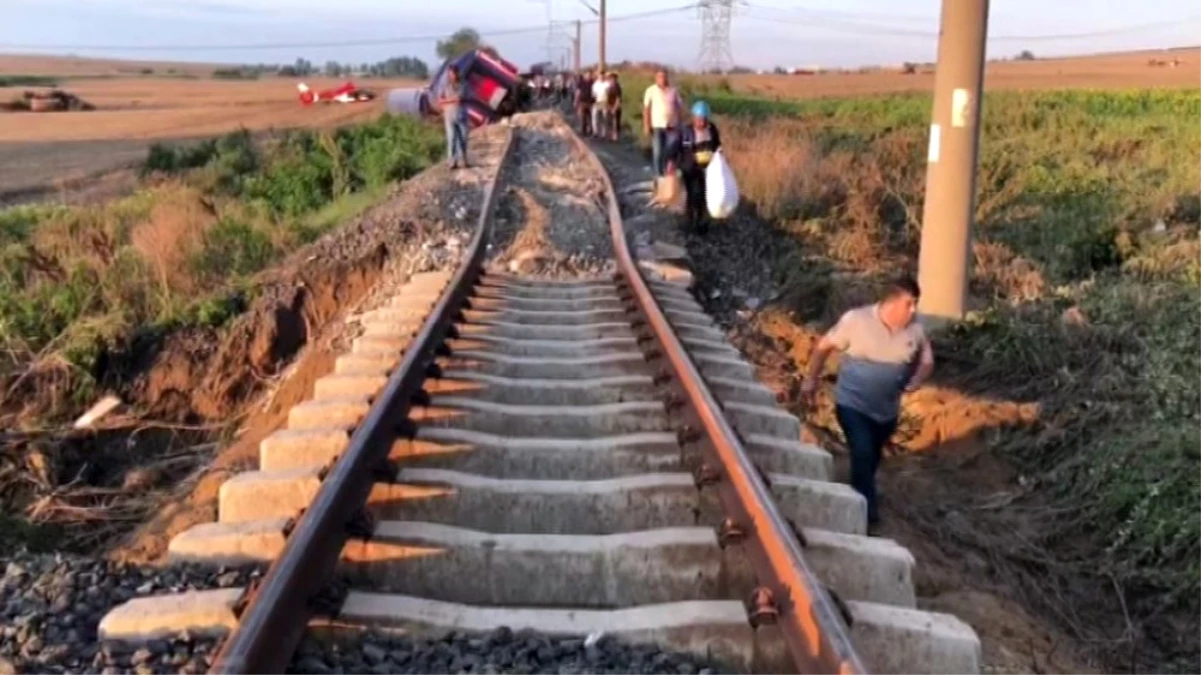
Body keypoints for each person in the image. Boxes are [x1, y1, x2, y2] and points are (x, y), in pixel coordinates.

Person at [800, 275, 934, 532]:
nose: (914, 309)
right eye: (910, 303)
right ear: (892, 302)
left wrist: (916, 379)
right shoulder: (856, 320)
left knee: (869, 459)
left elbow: (927, 360)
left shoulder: (915, 329)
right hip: (852, 404)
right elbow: (823, 347)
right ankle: (864, 515)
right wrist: (811, 380)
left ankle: (856, 494)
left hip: (886, 413)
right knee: (862, 451)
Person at [664, 100, 721, 233]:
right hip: (690, 168)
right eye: (699, 119)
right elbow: (674, 147)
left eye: (704, 119)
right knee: (692, 194)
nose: (701, 122)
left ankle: (701, 222)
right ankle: (690, 221)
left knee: (704, 195)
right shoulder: (685, 132)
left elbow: (717, 145)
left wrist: (720, 154)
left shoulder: (712, 130)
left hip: (708, 169)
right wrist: (671, 161)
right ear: (694, 118)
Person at [642, 69, 684, 179]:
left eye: (664, 77)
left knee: (670, 151)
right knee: (658, 152)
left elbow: (679, 107)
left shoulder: (673, 91)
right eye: (659, 77)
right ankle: (658, 175)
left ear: (667, 78)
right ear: (656, 78)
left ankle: (668, 173)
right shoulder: (651, 90)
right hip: (657, 125)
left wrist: (680, 123)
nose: (662, 79)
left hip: (672, 125)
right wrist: (646, 124)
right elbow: (647, 108)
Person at [438, 65, 469, 169]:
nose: (452, 76)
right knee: (451, 139)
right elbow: (440, 100)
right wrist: (451, 101)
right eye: (450, 73)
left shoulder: (463, 84)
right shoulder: (444, 85)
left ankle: (462, 160)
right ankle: (452, 162)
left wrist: (447, 101)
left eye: (454, 73)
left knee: (463, 139)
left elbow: (459, 99)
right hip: (449, 116)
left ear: (457, 73)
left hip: (461, 115)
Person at [591, 70, 612, 139]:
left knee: (604, 118)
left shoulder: (607, 84)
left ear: (604, 76)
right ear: (598, 76)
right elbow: (593, 94)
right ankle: (595, 132)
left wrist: (608, 103)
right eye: (600, 75)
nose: (601, 77)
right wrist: (593, 100)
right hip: (597, 102)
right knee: (595, 118)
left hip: (604, 102)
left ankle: (603, 134)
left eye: (602, 75)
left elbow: (609, 93)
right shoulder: (595, 84)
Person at [604, 72, 623, 141]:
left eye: (613, 79)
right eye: (610, 79)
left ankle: (616, 136)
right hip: (609, 106)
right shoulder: (609, 87)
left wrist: (614, 108)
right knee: (609, 121)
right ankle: (610, 135)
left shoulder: (617, 87)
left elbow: (618, 98)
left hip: (615, 106)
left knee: (616, 121)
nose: (611, 80)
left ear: (615, 79)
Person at [574, 71, 594, 136]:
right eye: (587, 75)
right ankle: (583, 131)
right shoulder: (581, 82)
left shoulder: (593, 82)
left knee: (590, 118)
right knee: (583, 117)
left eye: (590, 75)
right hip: (582, 102)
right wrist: (575, 101)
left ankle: (591, 130)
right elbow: (578, 92)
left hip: (591, 103)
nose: (589, 76)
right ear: (585, 75)